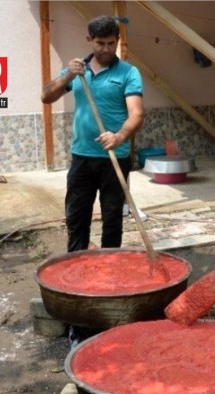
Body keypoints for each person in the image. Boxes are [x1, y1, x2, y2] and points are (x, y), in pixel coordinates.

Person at [41, 15, 144, 253]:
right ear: (90, 40)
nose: (106, 49)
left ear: (117, 40)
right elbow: (46, 96)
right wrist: (67, 75)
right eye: (100, 43)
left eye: (111, 43)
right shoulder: (77, 71)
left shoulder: (129, 73)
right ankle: (77, 266)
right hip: (82, 157)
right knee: (76, 218)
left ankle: (109, 268)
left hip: (114, 158)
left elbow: (136, 114)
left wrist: (119, 136)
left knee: (112, 220)